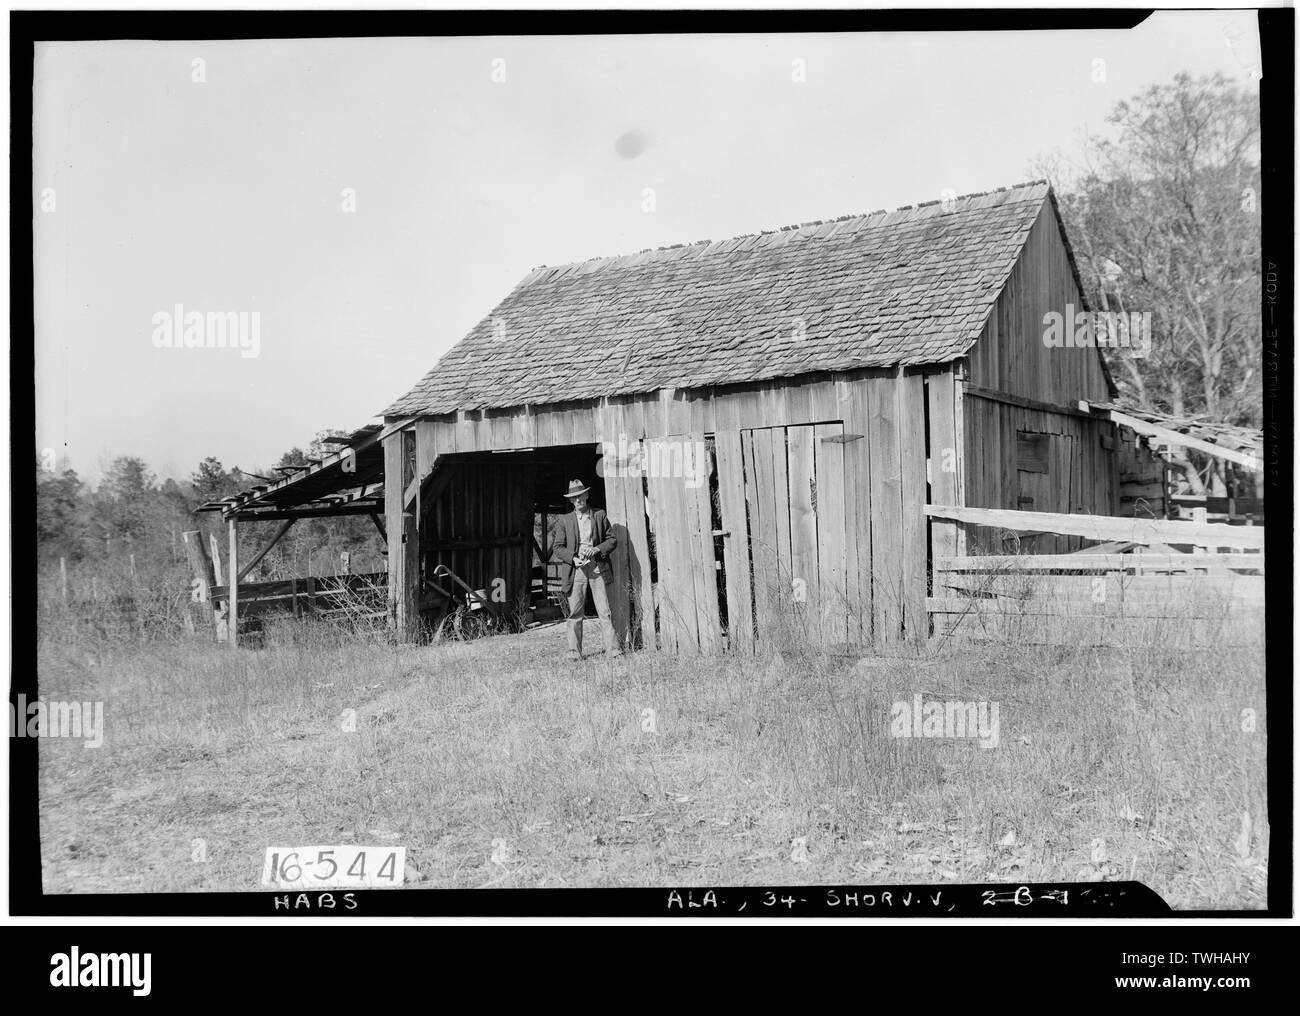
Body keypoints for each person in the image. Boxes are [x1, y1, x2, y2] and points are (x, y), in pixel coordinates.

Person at [552, 479, 622, 660]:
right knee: (575, 612)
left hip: (597, 567)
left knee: (604, 611)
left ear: (586, 495)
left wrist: (597, 549)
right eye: (574, 498)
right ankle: (574, 653)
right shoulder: (564, 520)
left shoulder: (599, 515)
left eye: (580, 496)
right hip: (577, 571)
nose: (578, 500)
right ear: (570, 500)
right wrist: (574, 558)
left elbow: (612, 540)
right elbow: (558, 548)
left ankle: (613, 651)